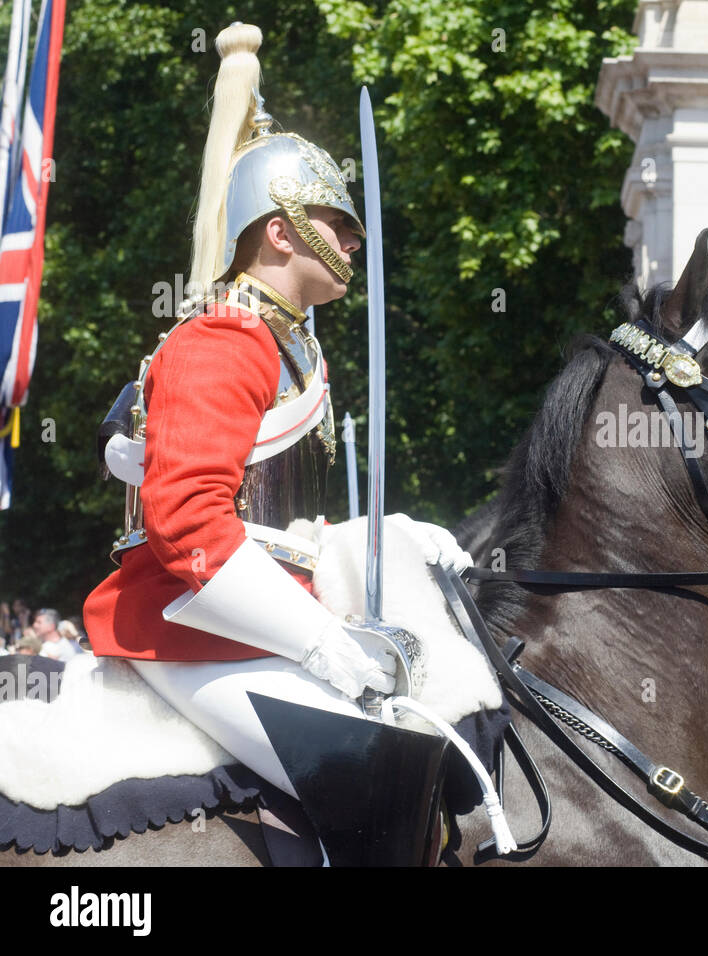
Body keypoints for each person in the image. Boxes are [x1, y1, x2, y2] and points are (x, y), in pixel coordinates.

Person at [82, 24, 470, 818]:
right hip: (184, 621)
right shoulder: (223, 339)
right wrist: (319, 641)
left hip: (258, 612)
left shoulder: (292, 349)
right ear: (282, 230)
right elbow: (189, 525)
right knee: (380, 787)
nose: (355, 239)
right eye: (340, 221)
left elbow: (280, 522)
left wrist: (390, 532)